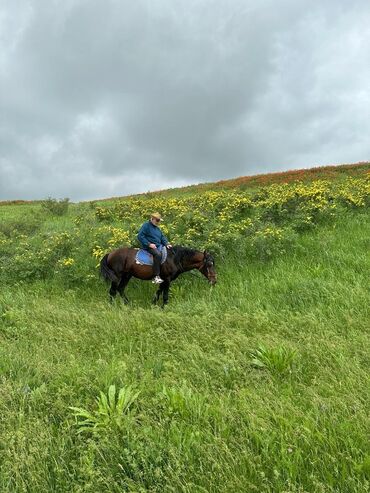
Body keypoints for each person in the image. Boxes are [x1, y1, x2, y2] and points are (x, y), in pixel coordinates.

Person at [137, 212, 172, 284]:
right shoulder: (146, 226)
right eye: (157, 220)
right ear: (152, 219)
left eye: (159, 221)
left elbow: (162, 237)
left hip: (158, 246)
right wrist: (149, 244)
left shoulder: (157, 228)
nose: (158, 222)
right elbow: (140, 236)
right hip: (148, 247)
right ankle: (156, 276)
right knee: (158, 254)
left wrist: (166, 243)